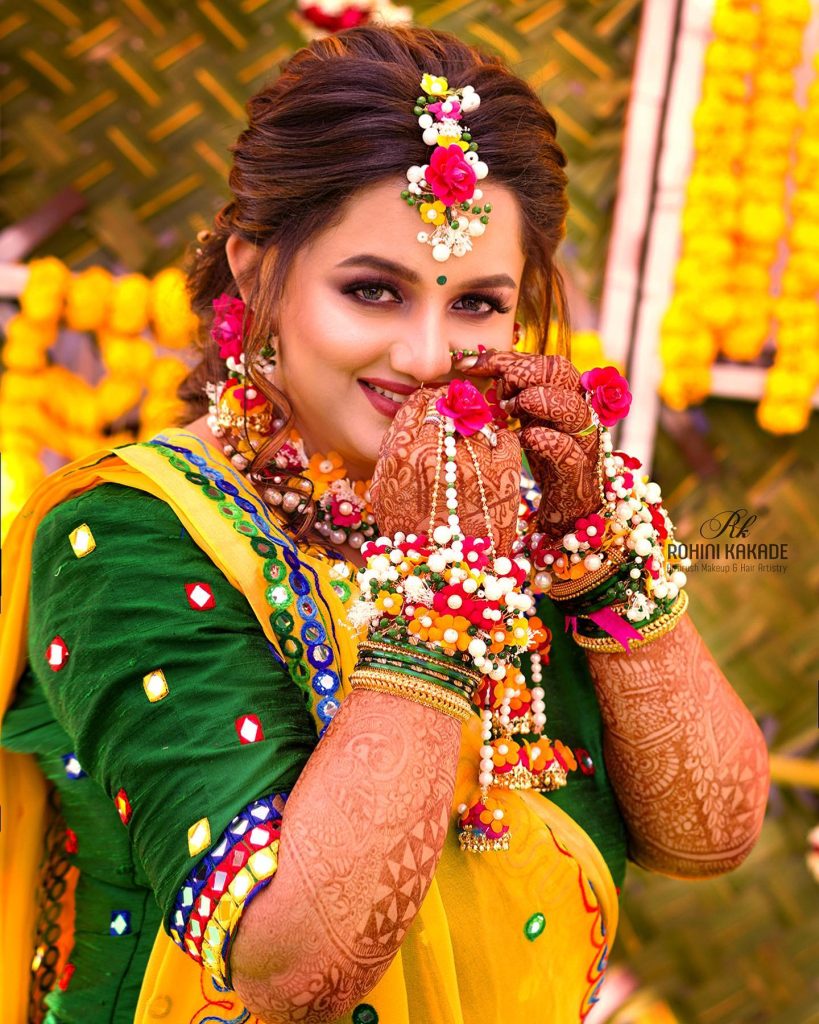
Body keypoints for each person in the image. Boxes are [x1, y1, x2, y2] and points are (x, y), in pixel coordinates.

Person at [0, 24, 769, 1024]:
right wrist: (442, 594)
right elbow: (289, 969)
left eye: (479, 304)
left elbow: (709, 833)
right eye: (372, 290)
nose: (425, 355)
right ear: (253, 273)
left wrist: (600, 551)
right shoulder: (131, 536)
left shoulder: (518, 514)